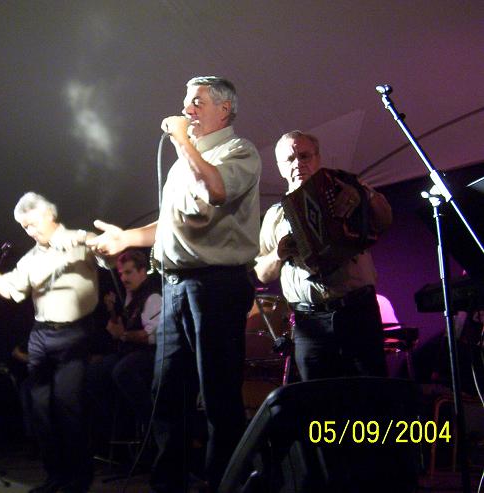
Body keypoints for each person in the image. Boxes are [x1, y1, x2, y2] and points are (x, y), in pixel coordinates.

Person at [87, 76, 261, 492]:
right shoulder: (186, 162)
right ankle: (169, 483)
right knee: (166, 392)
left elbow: (215, 189)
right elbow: (172, 224)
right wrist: (126, 238)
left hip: (217, 285)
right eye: (186, 102)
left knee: (218, 394)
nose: (187, 109)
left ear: (225, 109)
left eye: (197, 102)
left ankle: (224, 484)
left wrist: (183, 140)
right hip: (176, 286)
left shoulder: (239, 151)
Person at [0, 192, 97, 493]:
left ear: (50, 215)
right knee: (40, 409)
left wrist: (87, 240)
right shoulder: (30, 259)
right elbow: (10, 291)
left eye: (33, 224)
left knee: (68, 407)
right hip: (41, 335)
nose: (30, 231)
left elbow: (109, 254)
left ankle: (79, 479)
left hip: (74, 333)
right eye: (24, 227)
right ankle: (55, 476)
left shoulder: (80, 241)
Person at [254, 130, 392, 381]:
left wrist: (363, 193)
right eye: (290, 159)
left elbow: (385, 220)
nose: (298, 163)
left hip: (356, 312)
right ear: (280, 168)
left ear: (318, 158)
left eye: (304, 155)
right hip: (309, 322)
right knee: (318, 396)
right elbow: (262, 274)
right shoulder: (275, 215)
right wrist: (278, 254)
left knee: (372, 393)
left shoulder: (346, 189)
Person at [86, 249, 161, 453]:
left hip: (148, 354)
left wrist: (123, 335)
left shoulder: (152, 296)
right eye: (121, 273)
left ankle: (151, 422)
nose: (123, 278)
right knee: (95, 372)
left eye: (128, 272)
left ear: (142, 271)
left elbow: (149, 336)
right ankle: (117, 425)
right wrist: (112, 312)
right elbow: (123, 328)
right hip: (129, 352)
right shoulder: (130, 296)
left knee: (123, 371)